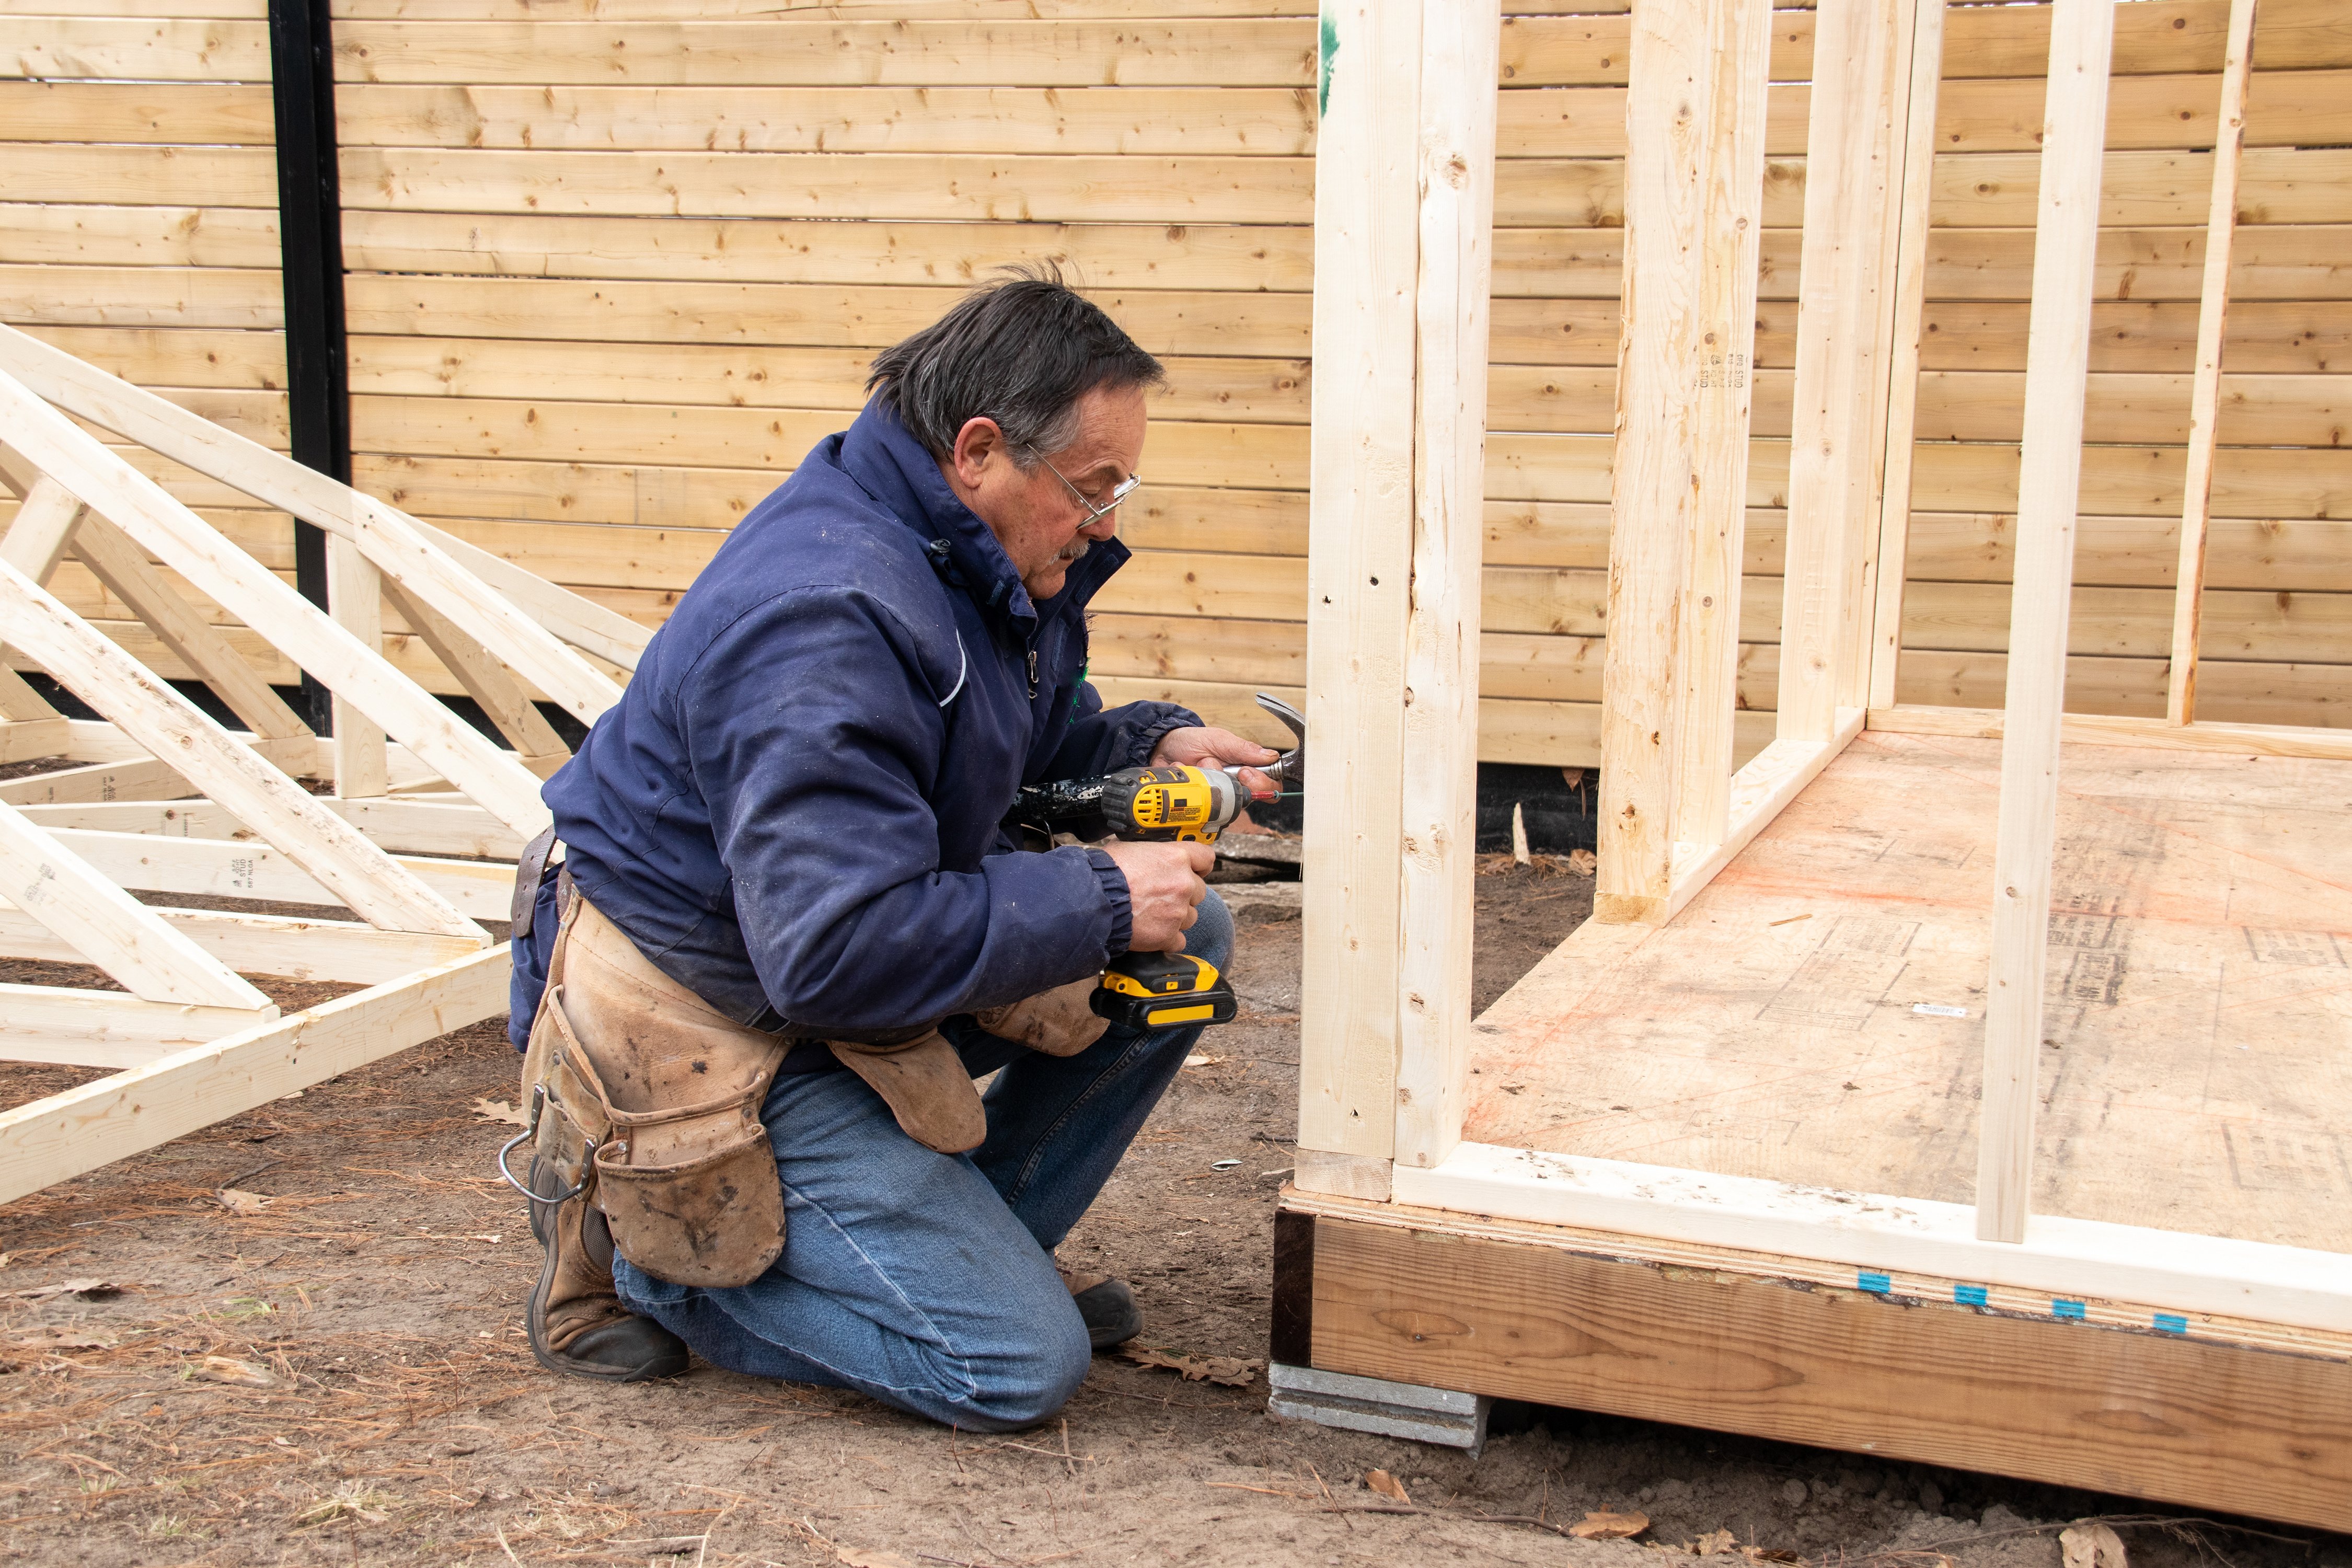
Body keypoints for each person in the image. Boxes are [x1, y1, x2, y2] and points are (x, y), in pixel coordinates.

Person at [504, 266, 1279, 1433]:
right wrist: (1101, 897)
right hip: (712, 1010)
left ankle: (960, 1254)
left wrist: (1144, 742)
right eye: (1096, 487)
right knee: (1012, 1367)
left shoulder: (956, 550)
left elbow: (986, 733)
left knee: (1191, 940)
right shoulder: (824, 613)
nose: (1109, 519)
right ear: (979, 452)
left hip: (802, 963)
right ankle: (661, 1264)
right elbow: (835, 952)